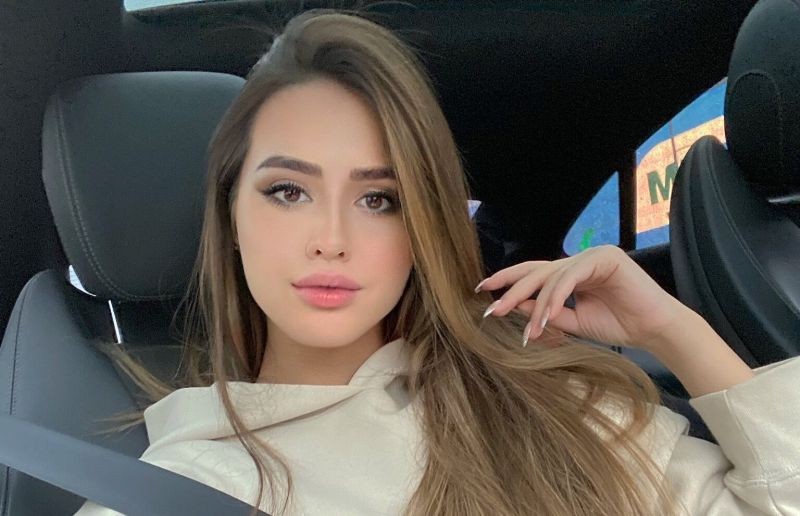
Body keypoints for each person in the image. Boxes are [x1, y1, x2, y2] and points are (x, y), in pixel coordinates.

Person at [75, 9, 799, 516]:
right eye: (288, 191)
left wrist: (674, 330)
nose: (331, 239)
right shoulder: (171, 492)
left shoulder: (550, 405)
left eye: (379, 200)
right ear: (231, 215)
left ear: (421, 228)